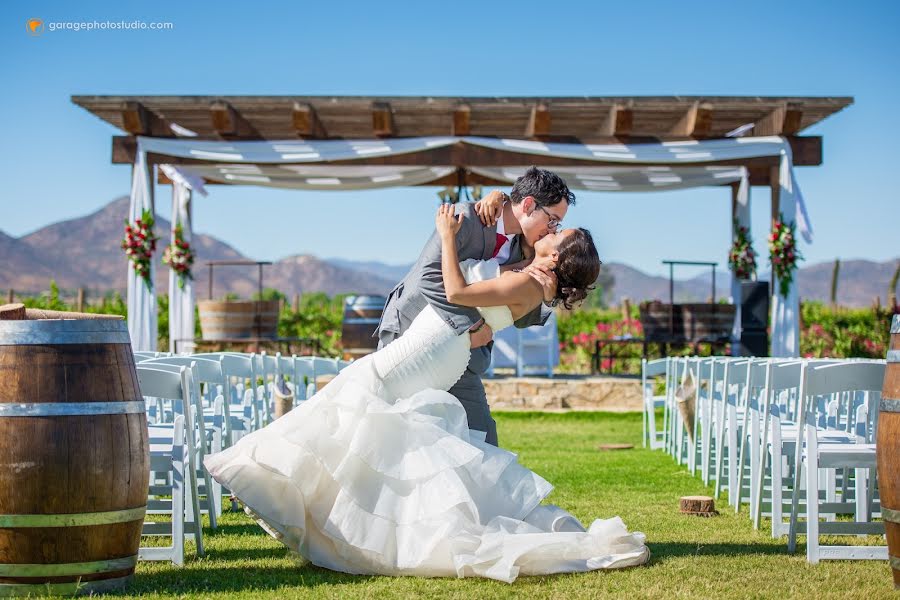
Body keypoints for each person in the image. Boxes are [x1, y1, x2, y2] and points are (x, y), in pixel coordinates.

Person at [204, 204, 649, 583]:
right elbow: (483, 315)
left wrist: (446, 237)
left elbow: (456, 291)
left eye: (558, 234)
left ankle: (273, 483)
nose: (550, 232)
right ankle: (327, 518)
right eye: (553, 225)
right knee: (372, 418)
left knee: (356, 394)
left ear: (558, 256)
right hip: (445, 344)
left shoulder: (530, 284)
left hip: (431, 346)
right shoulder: (534, 280)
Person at [375, 167, 572, 447]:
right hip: (412, 335)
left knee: (482, 437)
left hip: (466, 354)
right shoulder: (465, 217)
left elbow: (519, 316)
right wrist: (473, 326)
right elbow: (428, 278)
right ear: (528, 205)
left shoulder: (526, 250)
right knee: (391, 434)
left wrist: (548, 295)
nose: (552, 230)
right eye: (552, 220)